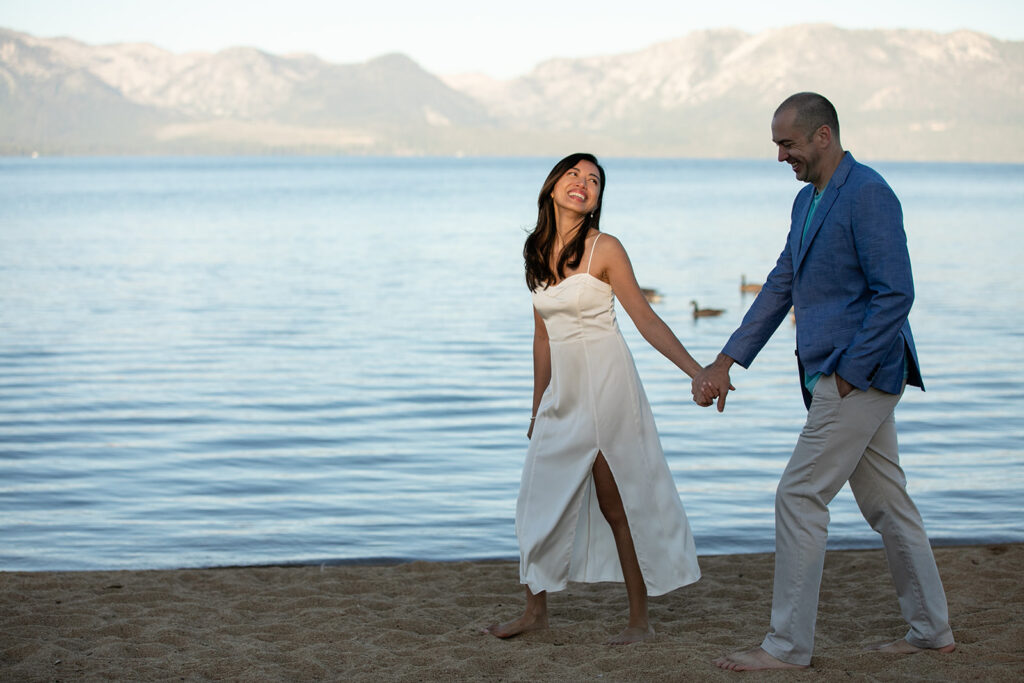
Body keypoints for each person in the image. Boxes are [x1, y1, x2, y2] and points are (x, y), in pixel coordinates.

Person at [693, 93, 955, 670]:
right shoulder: (805, 202)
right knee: (888, 503)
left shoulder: (868, 194)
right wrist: (725, 361)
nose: (781, 156)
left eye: (787, 144)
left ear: (823, 137)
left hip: (858, 377)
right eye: (777, 145)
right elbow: (779, 284)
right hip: (834, 377)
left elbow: (896, 294)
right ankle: (932, 630)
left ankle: (786, 647)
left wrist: (846, 374)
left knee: (799, 495)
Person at [485, 152, 702, 645]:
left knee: (617, 503)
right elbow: (542, 337)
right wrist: (537, 406)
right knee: (534, 499)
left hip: (607, 387)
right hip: (563, 393)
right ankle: (534, 612)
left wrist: (698, 372)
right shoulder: (535, 250)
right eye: (574, 174)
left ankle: (639, 621)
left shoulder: (605, 248)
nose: (583, 183)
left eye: (594, 180)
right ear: (553, 185)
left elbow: (645, 319)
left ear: (598, 198)